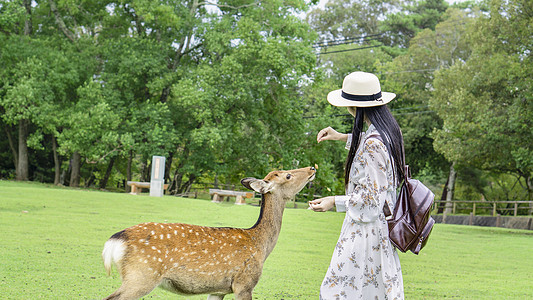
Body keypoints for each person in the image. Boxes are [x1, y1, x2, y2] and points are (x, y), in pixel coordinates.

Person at [309, 71, 405, 300]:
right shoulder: (389, 133)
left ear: (356, 108)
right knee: (373, 289)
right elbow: (370, 146)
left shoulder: (373, 145)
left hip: (365, 230)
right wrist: (341, 136)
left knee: (340, 288)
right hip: (381, 228)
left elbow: (371, 199)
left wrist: (334, 201)